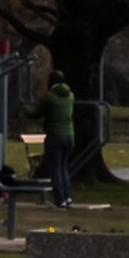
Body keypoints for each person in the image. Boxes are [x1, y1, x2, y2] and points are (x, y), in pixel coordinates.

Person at [41, 70, 77, 207]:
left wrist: (27, 113)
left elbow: (39, 112)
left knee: (55, 169)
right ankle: (67, 197)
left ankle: (59, 199)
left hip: (55, 135)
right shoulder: (70, 96)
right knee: (63, 168)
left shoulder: (50, 96)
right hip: (69, 136)